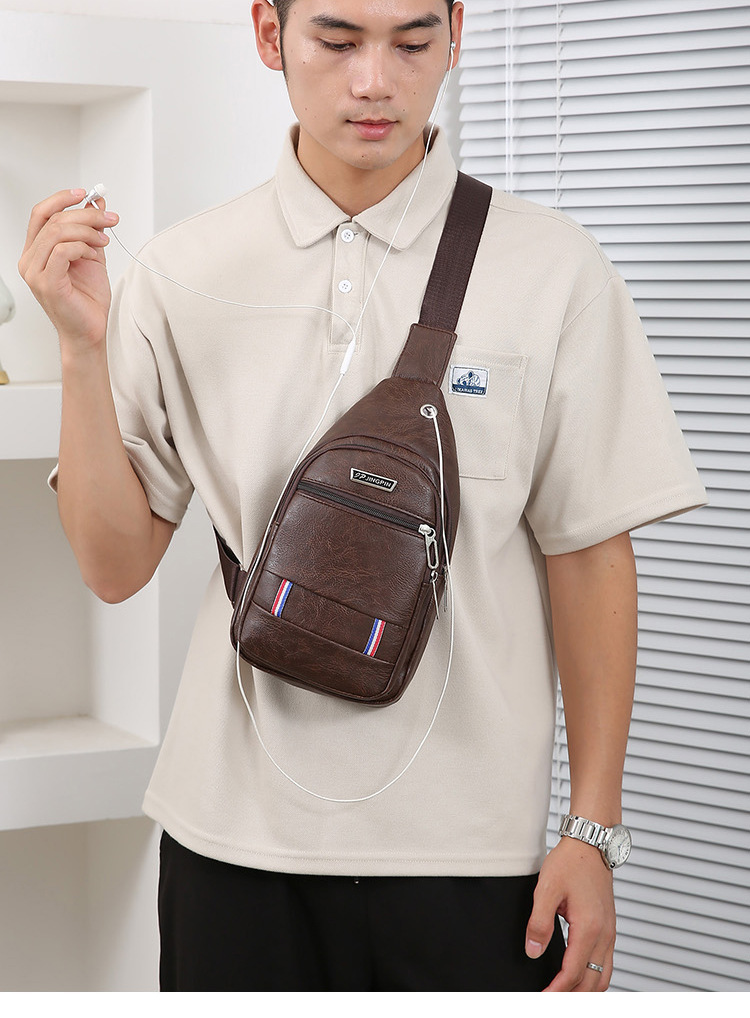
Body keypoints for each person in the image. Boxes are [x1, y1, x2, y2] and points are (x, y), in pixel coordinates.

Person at [18, 0, 706, 993]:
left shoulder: (555, 269)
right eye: (337, 41)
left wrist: (593, 830)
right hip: (229, 843)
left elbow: (590, 554)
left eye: (412, 42)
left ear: (457, 32)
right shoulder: (183, 271)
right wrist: (82, 351)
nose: (375, 80)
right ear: (270, 35)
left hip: (474, 856)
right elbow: (114, 565)